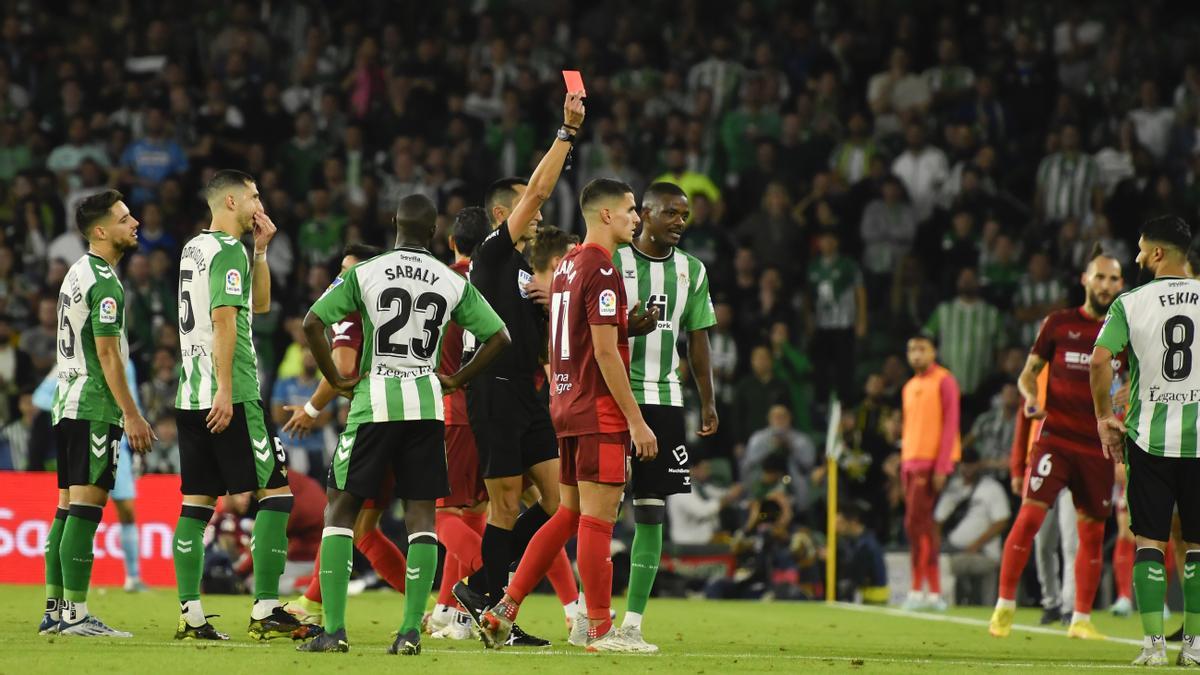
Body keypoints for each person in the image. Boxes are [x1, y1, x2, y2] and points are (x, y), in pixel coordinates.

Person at [297, 193, 510, 655]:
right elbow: (499, 335)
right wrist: (456, 378)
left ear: (394, 222)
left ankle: (333, 631)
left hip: (374, 406)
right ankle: (411, 632)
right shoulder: (448, 279)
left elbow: (314, 322)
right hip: (427, 408)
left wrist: (335, 378)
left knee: (340, 512)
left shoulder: (366, 272)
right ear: (434, 231)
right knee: (421, 519)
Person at [476, 178, 658, 653]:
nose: (637, 218)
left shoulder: (568, 265)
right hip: (597, 411)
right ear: (605, 215)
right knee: (599, 520)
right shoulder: (600, 269)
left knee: (569, 513)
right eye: (631, 210)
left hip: (564, 405)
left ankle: (505, 608)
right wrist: (635, 420)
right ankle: (597, 628)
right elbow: (603, 351)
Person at [456, 92, 586, 635]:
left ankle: (481, 588)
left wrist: (552, 298)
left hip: (527, 391)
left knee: (562, 505)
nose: (538, 216)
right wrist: (566, 133)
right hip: (492, 390)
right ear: (504, 215)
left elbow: (538, 344)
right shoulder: (491, 255)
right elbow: (539, 189)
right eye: (527, 210)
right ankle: (489, 598)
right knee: (505, 504)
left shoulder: (525, 275)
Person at [171, 170, 310, 642]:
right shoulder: (227, 251)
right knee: (277, 494)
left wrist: (262, 252)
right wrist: (227, 390)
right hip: (230, 393)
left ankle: (190, 614)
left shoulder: (195, 247)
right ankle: (267, 607)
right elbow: (226, 320)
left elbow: (260, 304)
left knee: (196, 504)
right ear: (230, 200)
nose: (260, 202)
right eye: (253, 196)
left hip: (189, 393)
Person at [988, 247, 1124, 641]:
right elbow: (1028, 375)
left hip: (1096, 446)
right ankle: (1004, 607)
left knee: (1092, 534)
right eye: (1099, 277)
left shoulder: (1123, 331)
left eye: (1113, 279)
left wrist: (1125, 399)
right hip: (1056, 440)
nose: (1106, 285)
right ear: (1085, 280)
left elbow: (1131, 380)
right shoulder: (1058, 324)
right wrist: (1031, 397)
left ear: (1121, 284)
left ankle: (1080, 618)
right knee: (1029, 519)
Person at [39, 189, 154, 637]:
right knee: (86, 510)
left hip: (67, 403)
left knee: (66, 509)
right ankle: (77, 615)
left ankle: (55, 610)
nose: (136, 223)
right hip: (92, 405)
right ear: (102, 231)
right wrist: (132, 414)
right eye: (125, 219)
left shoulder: (76, 273)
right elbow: (108, 355)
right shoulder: (104, 280)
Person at [609, 182, 719, 651]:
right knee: (588, 509)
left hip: (666, 401)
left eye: (685, 215)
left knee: (652, 513)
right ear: (644, 214)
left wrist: (708, 400)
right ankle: (582, 612)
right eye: (671, 213)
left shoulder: (692, 271)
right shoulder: (614, 263)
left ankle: (631, 623)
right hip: (612, 398)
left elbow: (698, 339)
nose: (679, 222)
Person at [281, 244, 415, 625]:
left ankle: (312, 605)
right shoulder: (391, 301)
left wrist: (311, 408)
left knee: (339, 515)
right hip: (411, 416)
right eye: (340, 269)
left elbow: (342, 366)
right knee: (365, 528)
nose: (342, 276)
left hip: (370, 422)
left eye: (348, 269)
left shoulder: (353, 304)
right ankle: (429, 606)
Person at [1091, 215, 1200, 666]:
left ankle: (1154, 647)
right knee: (1197, 547)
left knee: (1149, 542)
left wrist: (1103, 418)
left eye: (1139, 249)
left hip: (1148, 439)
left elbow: (1099, 362)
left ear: (1157, 253)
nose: (1136, 257)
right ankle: (1195, 646)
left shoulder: (1129, 303)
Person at [899, 335, 961, 611]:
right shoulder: (909, 386)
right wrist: (902, 467)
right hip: (910, 463)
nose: (916, 355)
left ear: (934, 351)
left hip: (929, 463)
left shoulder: (944, 381)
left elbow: (950, 425)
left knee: (917, 526)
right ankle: (932, 592)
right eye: (912, 349)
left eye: (922, 349)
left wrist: (942, 465)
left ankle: (921, 590)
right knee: (919, 527)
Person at [935, 448, 1010, 606]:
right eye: (964, 464)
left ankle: (944, 604)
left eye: (971, 464)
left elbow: (1002, 521)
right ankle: (944, 602)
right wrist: (934, 544)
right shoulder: (954, 487)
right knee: (937, 559)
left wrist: (976, 545)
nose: (967, 469)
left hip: (984, 552)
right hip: (952, 548)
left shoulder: (992, 488)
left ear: (979, 465)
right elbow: (938, 520)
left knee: (945, 564)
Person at [111, 359, 147, 593]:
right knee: (79, 510)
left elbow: (132, 401)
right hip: (89, 434)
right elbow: (41, 397)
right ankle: (65, 586)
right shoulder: (82, 353)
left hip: (120, 445)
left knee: (127, 511)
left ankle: (133, 577)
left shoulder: (127, 362)